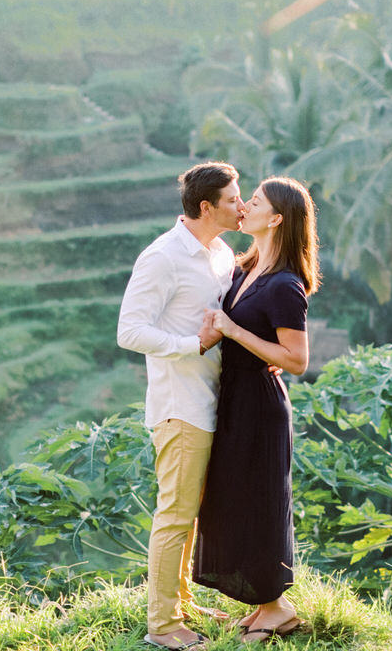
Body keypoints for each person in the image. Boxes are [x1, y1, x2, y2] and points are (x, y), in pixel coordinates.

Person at [117, 161, 243, 651]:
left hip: (211, 400)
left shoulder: (222, 253)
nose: (242, 205)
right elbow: (129, 331)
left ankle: (181, 602)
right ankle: (163, 626)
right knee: (174, 514)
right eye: (234, 199)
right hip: (179, 405)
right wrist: (194, 344)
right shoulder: (162, 257)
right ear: (206, 206)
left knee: (189, 514)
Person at [192, 176, 320, 645]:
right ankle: (267, 605)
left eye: (256, 201)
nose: (245, 205)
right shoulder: (247, 268)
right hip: (235, 400)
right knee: (235, 499)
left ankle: (276, 608)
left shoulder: (286, 284)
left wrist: (232, 330)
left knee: (261, 501)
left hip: (261, 409)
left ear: (277, 219)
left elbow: (298, 361)